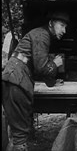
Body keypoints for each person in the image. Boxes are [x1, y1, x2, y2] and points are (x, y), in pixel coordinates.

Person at [2, 11, 69, 151]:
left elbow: (41, 68)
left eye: (66, 27)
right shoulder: (41, 35)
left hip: (14, 80)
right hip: (17, 81)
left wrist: (51, 82)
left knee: (17, 133)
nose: (64, 30)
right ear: (51, 23)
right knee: (20, 134)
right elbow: (41, 68)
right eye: (61, 25)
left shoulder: (41, 35)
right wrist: (55, 64)